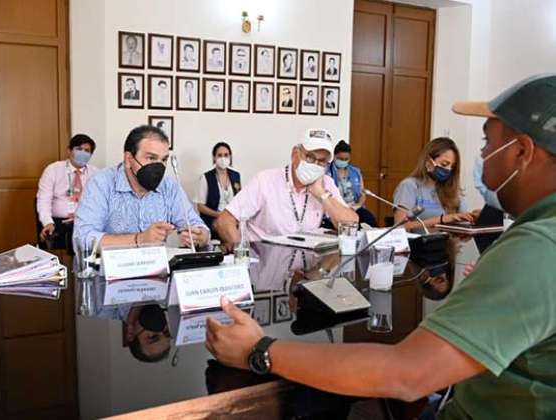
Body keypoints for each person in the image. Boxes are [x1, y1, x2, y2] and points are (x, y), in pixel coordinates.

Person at [206, 73, 556, 420]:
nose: (481, 156)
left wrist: (260, 349)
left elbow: (406, 373)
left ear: (522, 152)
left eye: (486, 144)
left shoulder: (537, 248)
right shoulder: (535, 241)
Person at [215, 128, 358, 250]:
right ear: (295, 154)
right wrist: (243, 254)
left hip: (305, 268)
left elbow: (351, 223)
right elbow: (224, 220)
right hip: (265, 266)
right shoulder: (265, 180)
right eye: (310, 158)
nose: (315, 165)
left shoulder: (325, 183)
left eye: (321, 162)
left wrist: (322, 194)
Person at [73, 125, 209, 251]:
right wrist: (139, 239)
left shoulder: (169, 186)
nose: (159, 166)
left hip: (157, 271)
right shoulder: (101, 183)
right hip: (111, 272)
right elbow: (82, 239)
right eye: (151, 158)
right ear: (128, 159)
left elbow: (197, 225)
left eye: (164, 160)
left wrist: (200, 236)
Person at [393, 137, 476, 232]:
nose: (448, 169)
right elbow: (400, 228)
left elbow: (462, 221)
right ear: (428, 160)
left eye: (452, 167)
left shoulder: (451, 189)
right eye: (444, 164)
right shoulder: (409, 186)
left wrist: (474, 217)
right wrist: (441, 219)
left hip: (450, 244)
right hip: (420, 245)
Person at [36, 134, 99, 251]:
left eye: (87, 151)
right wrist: (47, 222)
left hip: (85, 222)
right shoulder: (53, 170)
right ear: (69, 150)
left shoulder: (96, 174)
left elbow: (99, 202)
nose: (83, 153)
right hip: (59, 223)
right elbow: (43, 200)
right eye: (79, 149)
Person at [195, 142, 241, 238]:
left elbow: (240, 200)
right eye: (219, 155)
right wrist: (219, 214)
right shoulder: (206, 178)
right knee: (226, 225)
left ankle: (232, 248)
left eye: (226, 155)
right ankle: (234, 247)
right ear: (214, 158)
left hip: (232, 218)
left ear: (230, 157)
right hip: (213, 219)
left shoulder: (236, 176)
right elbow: (200, 206)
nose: (223, 158)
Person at [326, 140, 377, 226]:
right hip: (336, 208)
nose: (343, 161)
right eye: (340, 159)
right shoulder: (326, 171)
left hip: (354, 207)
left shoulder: (356, 172)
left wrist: (357, 206)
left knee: (369, 219)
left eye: (346, 159)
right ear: (334, 156)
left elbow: (362, 194)